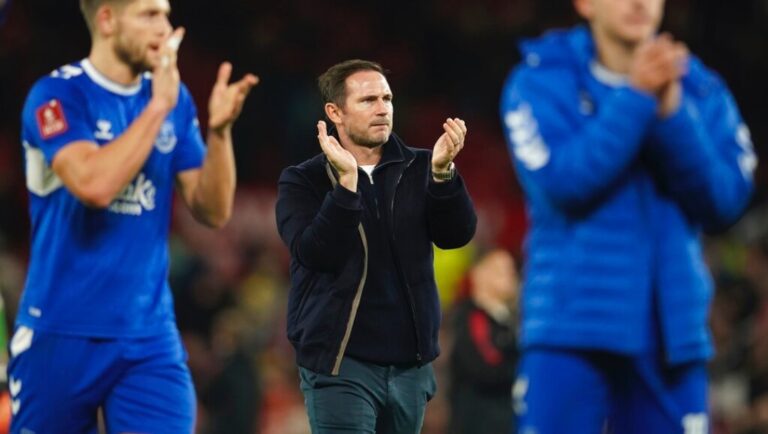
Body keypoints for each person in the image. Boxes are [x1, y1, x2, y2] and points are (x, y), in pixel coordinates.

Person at [499, 0, 757, 433]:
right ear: (585, 4)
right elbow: (562, 184)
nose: (639, 3)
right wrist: (636, 98)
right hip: (570, 332)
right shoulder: (540, 80)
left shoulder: (699, 87)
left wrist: (674, 116)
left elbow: (725, 201)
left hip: (672, 334)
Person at [10, 0, 257, 432]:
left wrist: (220, 133)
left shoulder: (173, 99)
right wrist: (157, 108)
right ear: (107, 20)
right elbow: (93, 185)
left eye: (165, 13)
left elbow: (213, 210)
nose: (164, 27)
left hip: (148, 338)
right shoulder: (57, 95)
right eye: (148, 14)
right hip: (59, 332)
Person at [275, 59, 477, 434]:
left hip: (409, 367)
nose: (383, 108)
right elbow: (315, 252)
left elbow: (457, 235)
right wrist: (347, 186)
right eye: (368, 100)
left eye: (387, 98)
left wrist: (443, 175)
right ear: (335, 112)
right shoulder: (303, 181)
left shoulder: (421, 167)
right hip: (340, 364)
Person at [448, 249, 519, 434]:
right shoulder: (472, 317)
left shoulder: (511, 322)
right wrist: (524, 365)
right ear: (478, 274)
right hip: (480, 423)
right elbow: (486, 367)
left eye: (511, 269)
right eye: (499, 270)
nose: (510, 275)